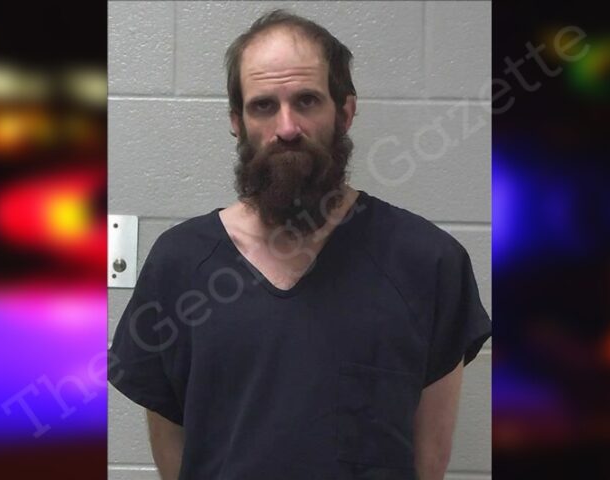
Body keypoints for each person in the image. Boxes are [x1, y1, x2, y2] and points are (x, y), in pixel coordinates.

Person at [109, 9, 491, 480]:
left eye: (307, 101)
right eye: (263, 106)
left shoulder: (428, 262)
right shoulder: (179, 264)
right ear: (237, 121)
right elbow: (173, 445)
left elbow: (429, 458)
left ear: (345, 112)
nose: (286, 127)